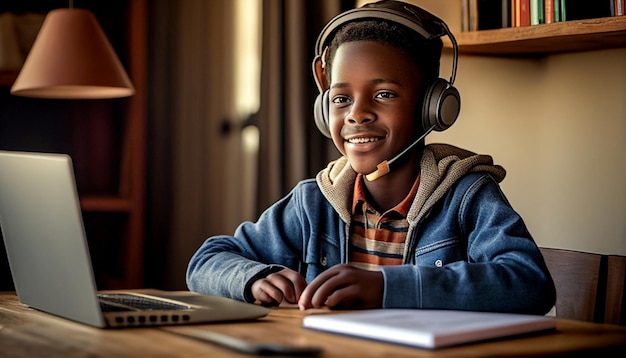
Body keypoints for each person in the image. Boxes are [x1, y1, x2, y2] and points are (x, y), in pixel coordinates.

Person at [186, 0, 556, 314]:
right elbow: (206, 261)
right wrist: (252, 279)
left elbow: (529, 282)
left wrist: (386, 286)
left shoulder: (465, 195)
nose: (356, 114)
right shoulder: (314, 203)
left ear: (432, 107)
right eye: (341, 99)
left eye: (384, 95)